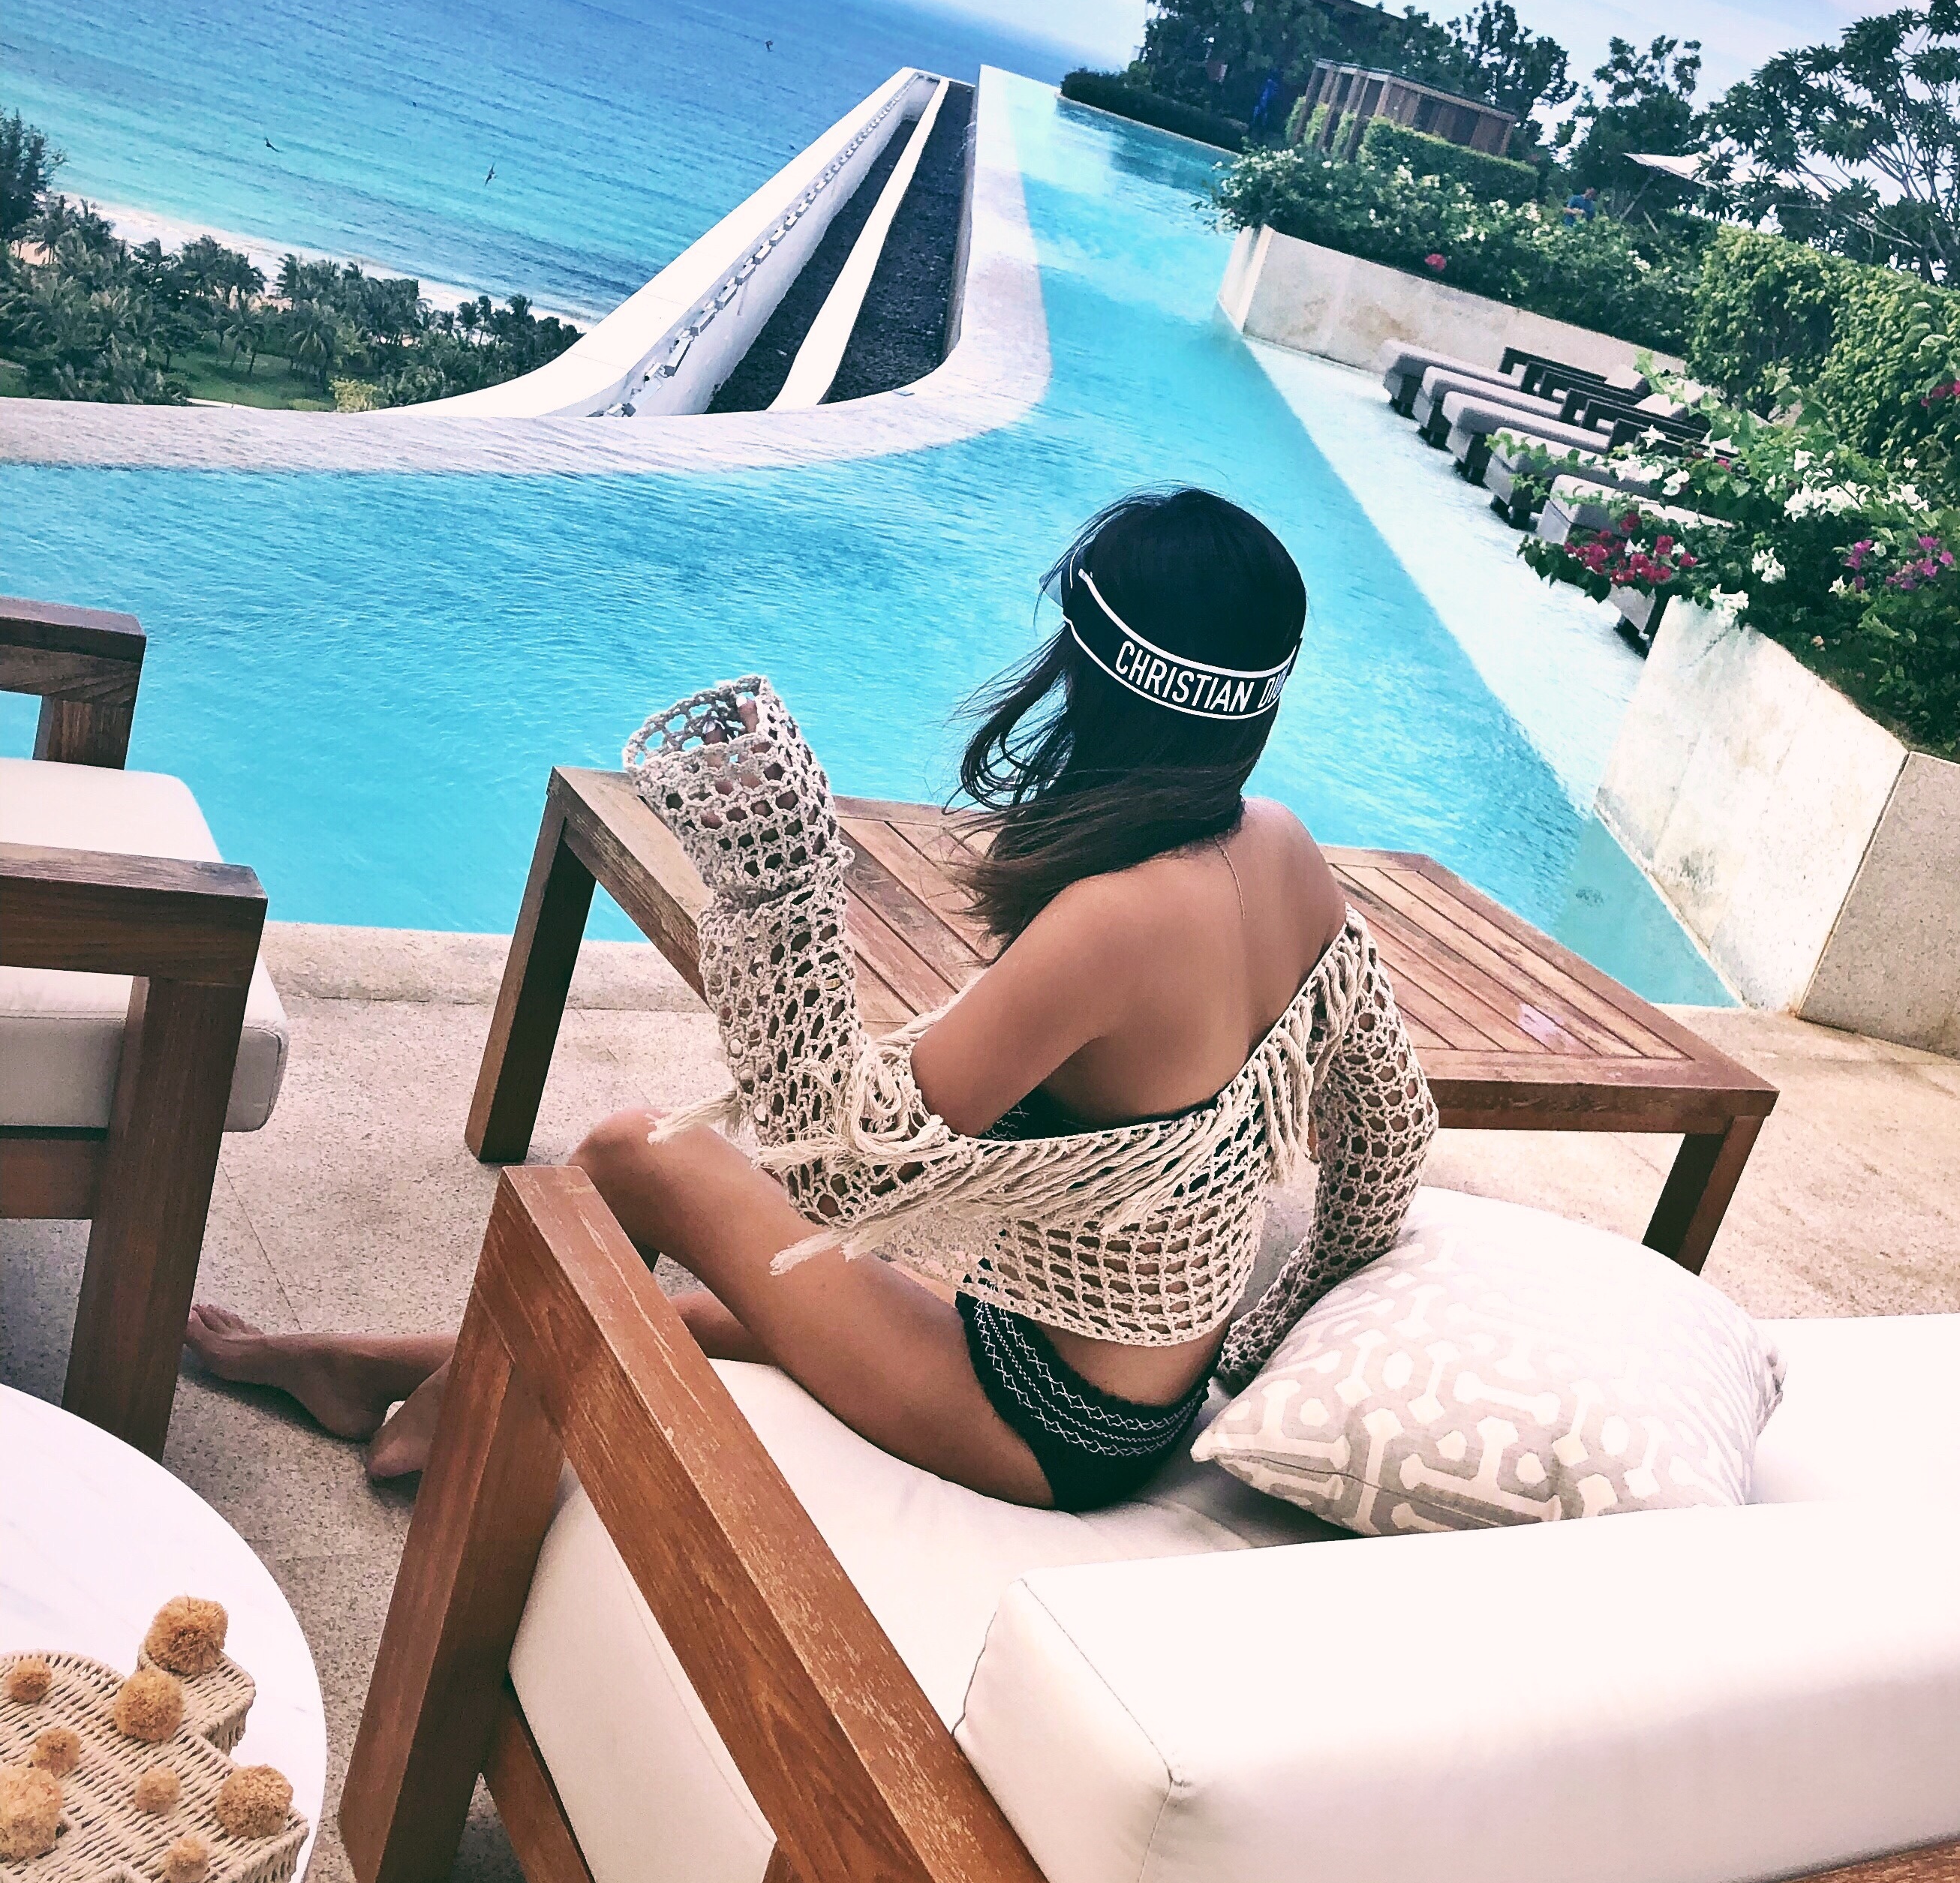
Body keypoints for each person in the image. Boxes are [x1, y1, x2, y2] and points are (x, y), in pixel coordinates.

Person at [187, 489, 1436, 1507]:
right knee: (715, 1305)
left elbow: (842, 1169)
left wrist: (777, 875)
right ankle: (370, 1364)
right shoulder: (1285, 848)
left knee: (636, 1154)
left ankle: (457, 1428)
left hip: (1045, 1421)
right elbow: (1388, 1132)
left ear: (1092, 678)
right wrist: (1261, 1338)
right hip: (1134, 1398)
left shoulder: (1116, 921)